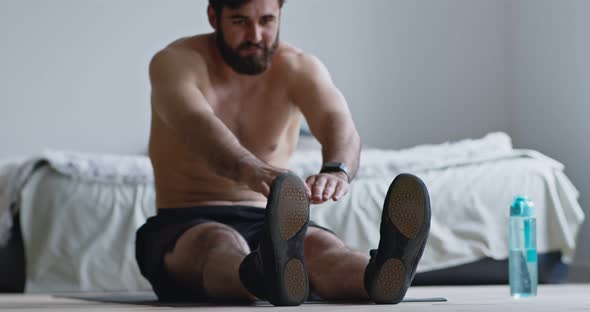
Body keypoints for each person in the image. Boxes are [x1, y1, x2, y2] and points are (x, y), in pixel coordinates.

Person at [135, 0, 431, 306]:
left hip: (270, 220)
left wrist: (337, 169)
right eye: (239, 22)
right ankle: (264, 274)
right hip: (187, 217)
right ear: (214, 17)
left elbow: (336, 120)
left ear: (280, 16)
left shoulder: (297, 66)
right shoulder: (175, 62)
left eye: (266, 20)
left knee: (323, 249)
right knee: (218, 243)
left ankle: (379, 275)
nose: (256, 35)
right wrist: (250, 168)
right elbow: (196, 125)